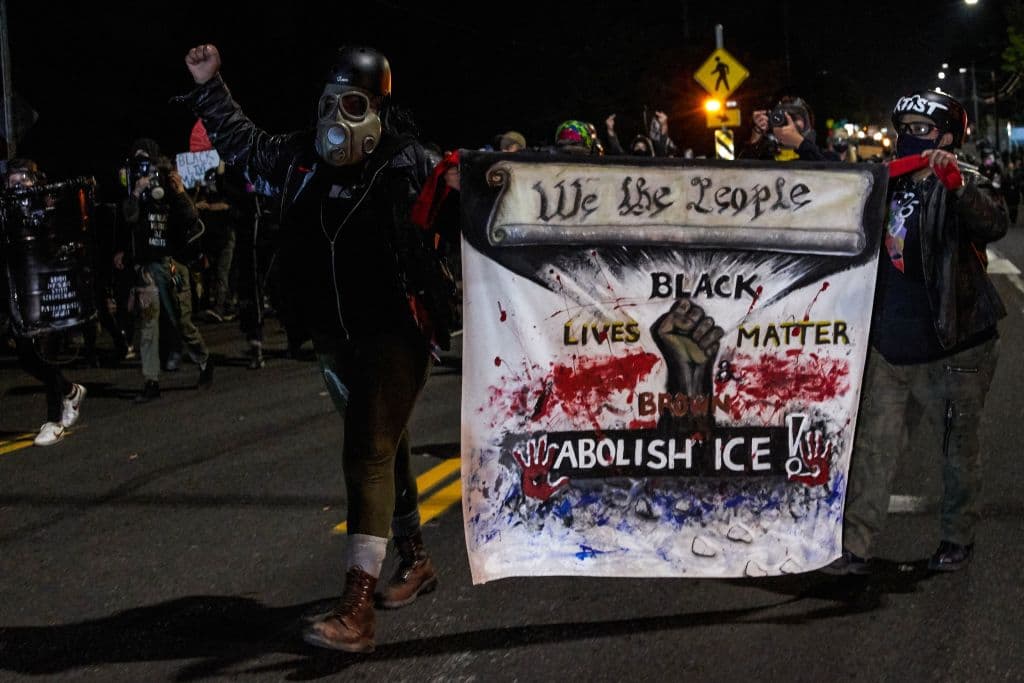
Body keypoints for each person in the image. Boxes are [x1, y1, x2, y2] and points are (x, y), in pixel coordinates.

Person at [182, 43, 453, 653]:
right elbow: (244, 144)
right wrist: (210, 84)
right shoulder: (302, 157)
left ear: (380, 107)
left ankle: (357, 609)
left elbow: (483, 208)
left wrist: (470, 184)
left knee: (366, 451)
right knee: (387, 443)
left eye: (352, 103)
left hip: (396, 329)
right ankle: (415, 557)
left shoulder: (411, 162)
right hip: (333, 332)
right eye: (329, 102)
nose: (337, 117)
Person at [824, 89, 1008, 575]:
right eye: (904, 127)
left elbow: (993, 222)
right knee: (872, 450)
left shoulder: (962, 179)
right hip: (890, 344)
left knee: (956, 451)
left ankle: (957, 538)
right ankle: (855, 547)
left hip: (955, 345)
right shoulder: (884, 181)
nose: (910, 137)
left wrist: (958, 187)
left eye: (922, 130)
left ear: (948, 136)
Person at [116, 138, 213, 402]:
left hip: (171, 264)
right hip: (147, 267)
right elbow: (128, 219)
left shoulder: (168, 182)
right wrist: (136, 192)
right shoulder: (134, 188)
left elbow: (191, 219)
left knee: (182, 321)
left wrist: (179, 191)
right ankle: (151, 382)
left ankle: (204, 360)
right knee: (148, 324)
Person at [1, 159, 87, 446]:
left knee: (45, 351)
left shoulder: (45, 207)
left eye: (23, 180)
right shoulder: (7, 211)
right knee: (26, 356)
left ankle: (54, 419)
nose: (17, 186)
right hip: (18, 290)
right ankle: (70, 391)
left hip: (45, 289)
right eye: (12, 180)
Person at [738, 95, 827, 161]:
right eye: (783, 118)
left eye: (794, 117)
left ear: (808, 123)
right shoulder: (765, 157)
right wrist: (755, 139)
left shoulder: (825, 156)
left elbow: (830, 177)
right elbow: (739, 177)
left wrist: (799, 142)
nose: (789, 122)